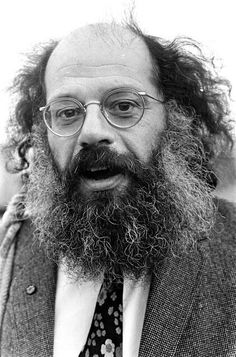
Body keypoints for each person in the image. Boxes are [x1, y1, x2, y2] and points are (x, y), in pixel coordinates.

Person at [0, 20, 235, 357]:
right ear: (42, 134)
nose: (92, 132)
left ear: (176, 118)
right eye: (67, 112)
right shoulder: (10, 248)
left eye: (123, 106)